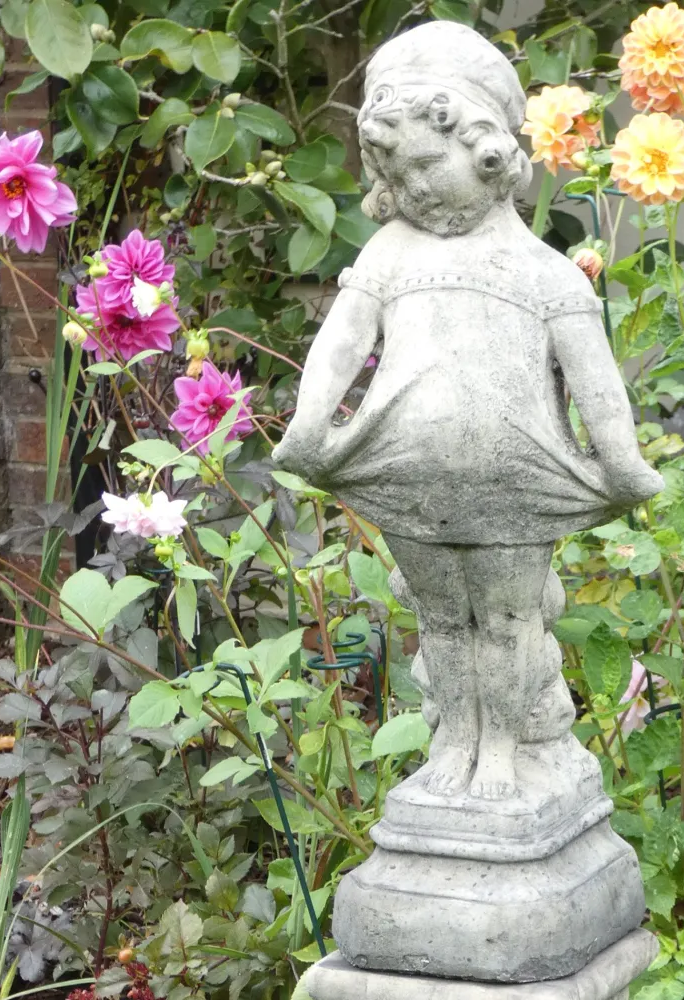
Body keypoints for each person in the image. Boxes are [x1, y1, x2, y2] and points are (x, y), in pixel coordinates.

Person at [274, 21, 663, 800]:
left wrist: (620, 466)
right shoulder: (389, 256)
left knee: (508, 622)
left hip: (515, 483)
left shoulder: (543, 270)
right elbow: (341, 345)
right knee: (443, 621)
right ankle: (455, 737)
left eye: (425, 164)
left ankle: (503, 747)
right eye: (396, 172)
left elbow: (596, 384)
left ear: (487, 149)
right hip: (412, 480)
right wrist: (309, 430)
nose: (412, 188)